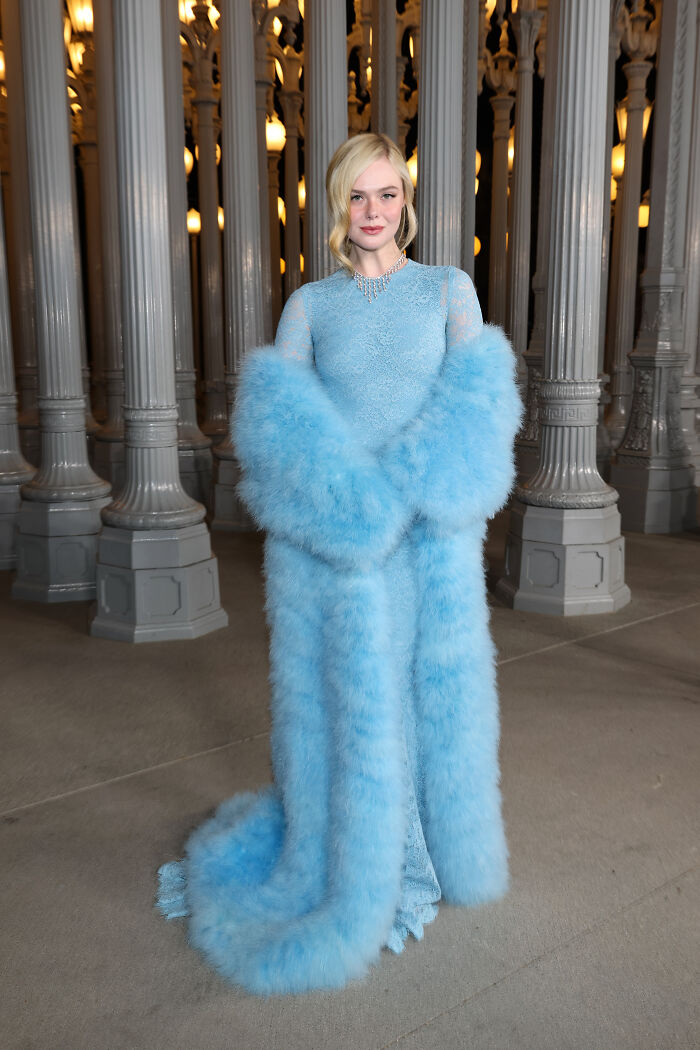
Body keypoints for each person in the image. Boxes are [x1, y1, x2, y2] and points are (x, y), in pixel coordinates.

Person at [157, 133, 522, 996]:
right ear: (336, 206)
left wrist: (408, 488)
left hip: (429, 535)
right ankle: (359, 860)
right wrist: (351, 507)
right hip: (337, 543)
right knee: (353, 705)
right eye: (358, 196)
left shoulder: (448, 288)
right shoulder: (308, 305)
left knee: (430, 693)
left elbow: (480, 406)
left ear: (407, 202)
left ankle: (432, 851)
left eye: (388, 194)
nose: (374, 211)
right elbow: (274, 426)